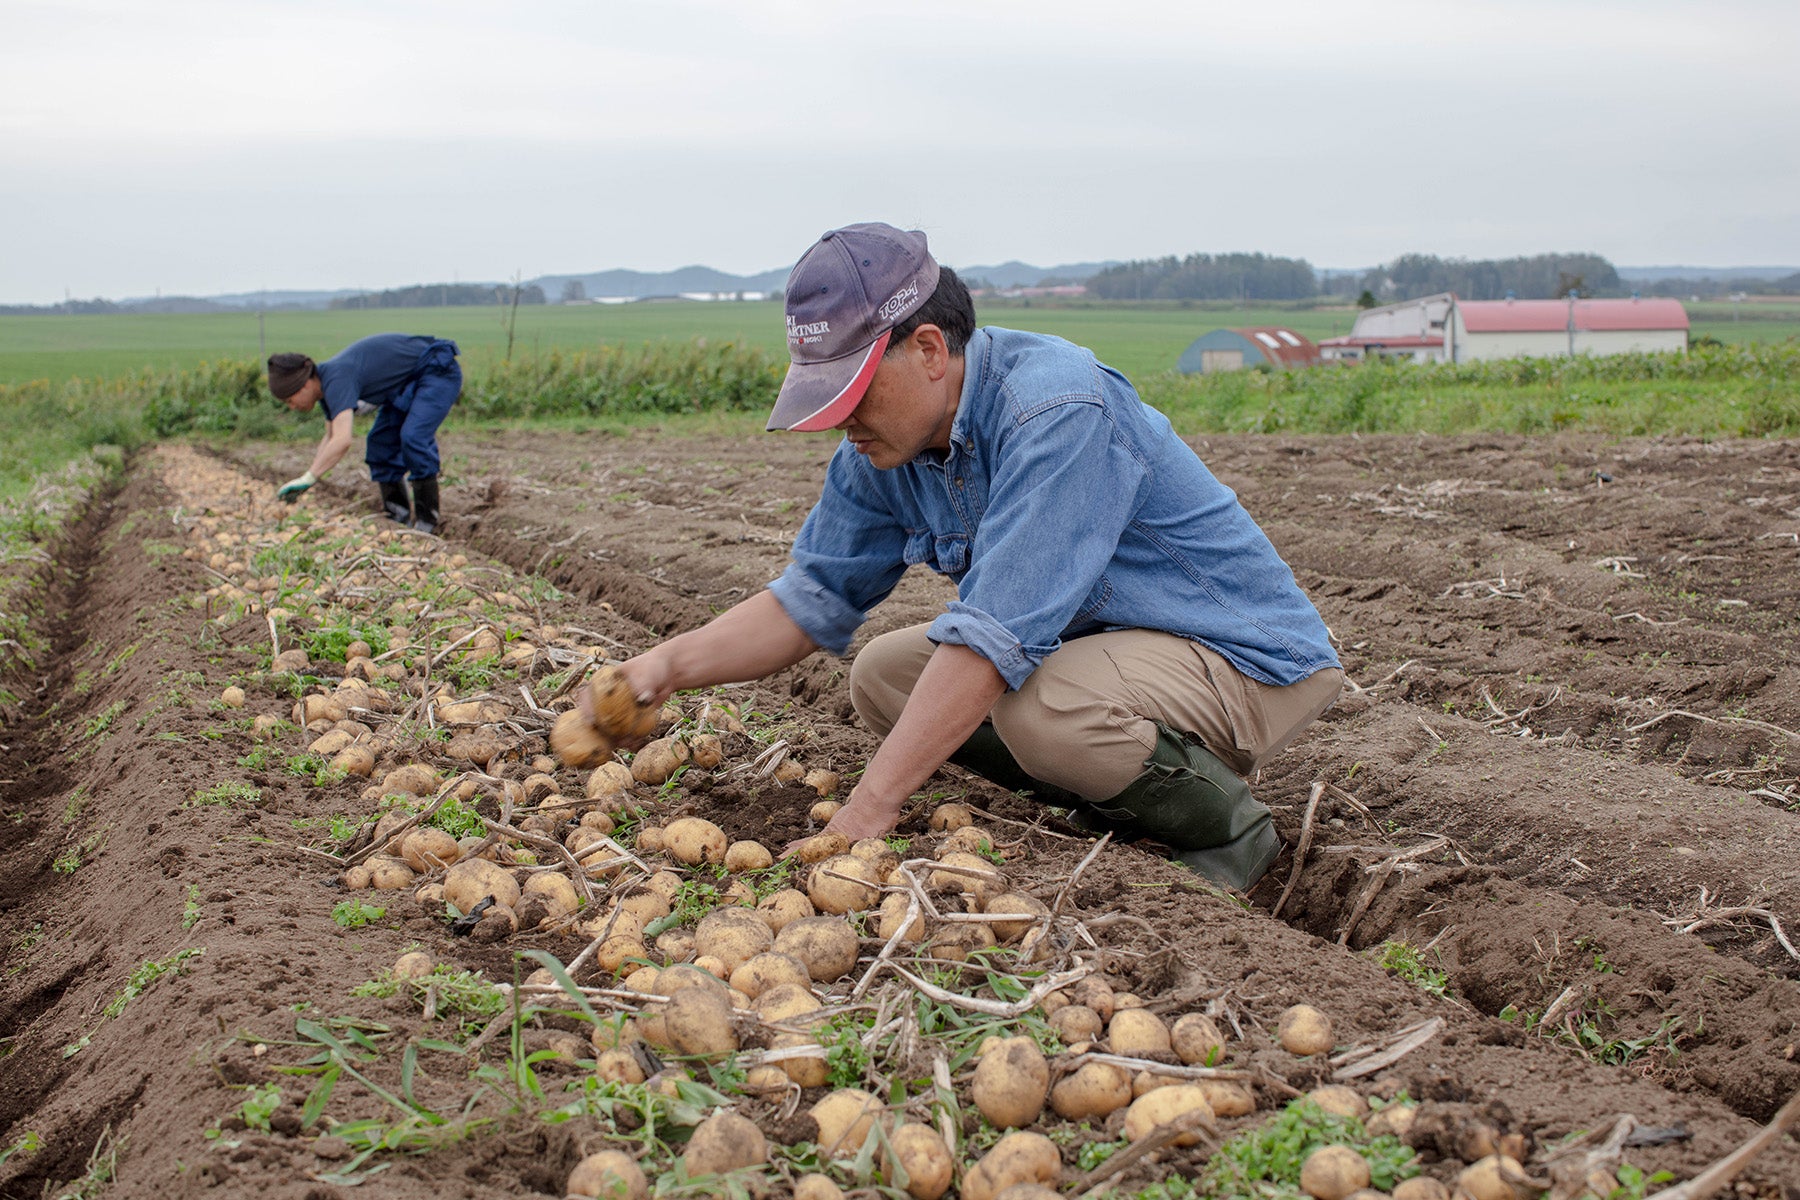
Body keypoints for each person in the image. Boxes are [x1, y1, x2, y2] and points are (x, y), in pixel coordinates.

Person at [592, 223, 1342, 890]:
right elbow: (808, 599)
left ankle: (1229, 833)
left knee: (1042, 708)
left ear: (926, 350)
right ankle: (1102, 794)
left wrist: (865, 813)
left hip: (1240, 659)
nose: (841, 422)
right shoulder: (883, 450)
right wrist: (662, 668)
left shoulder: (1054, 410)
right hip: (1115, 650)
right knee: (883, 675)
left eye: (852, 391)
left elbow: (993, 637)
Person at [266, 333, 462, 533]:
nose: (292, 407)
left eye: (290, 400)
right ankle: (397, 521)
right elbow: (331, 437)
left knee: (414, 437)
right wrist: (306, 478)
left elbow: (342, 440)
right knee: (380, 444)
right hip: (404, 386)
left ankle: (427, 523)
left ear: (305, 384)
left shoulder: (336, 377)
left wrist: (311, 477)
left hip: (436, 371)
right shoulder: (325, 387)